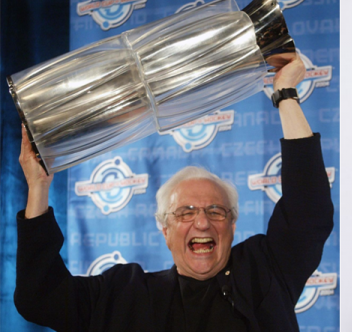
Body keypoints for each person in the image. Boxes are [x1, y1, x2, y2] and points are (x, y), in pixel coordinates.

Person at [15, 52, 334, 331]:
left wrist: (286, 93)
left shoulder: (263, 274)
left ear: (233, 225)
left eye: (215, 211)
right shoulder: (125, 295)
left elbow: (309, 211)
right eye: (186, 212)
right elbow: (40, 297)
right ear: (165, 230)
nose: (202, 222)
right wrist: (38, 187)